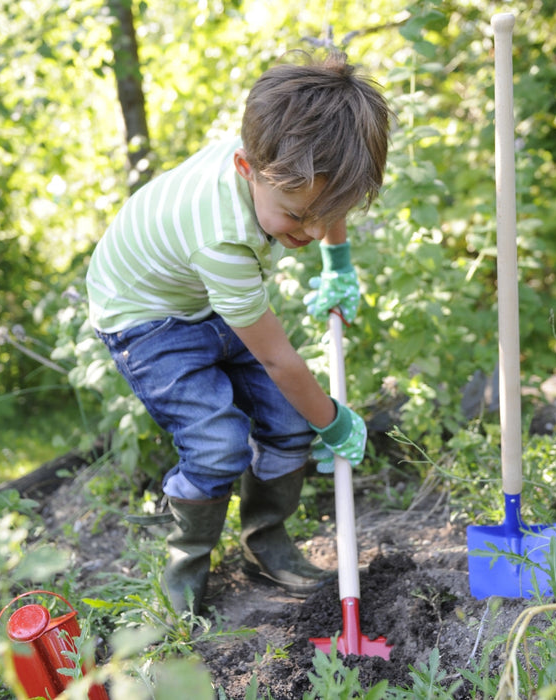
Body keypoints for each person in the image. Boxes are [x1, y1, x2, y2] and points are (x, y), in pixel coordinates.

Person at [86, 50, 391, 613]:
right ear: (247, 169)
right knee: (216, 443)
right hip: (146, 316)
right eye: (299, 218)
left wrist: (338, 259)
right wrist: (331, 418)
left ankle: (264, 541)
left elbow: (329, 195)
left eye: (329, 213)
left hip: (202, 295)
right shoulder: (222, 239)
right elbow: (280, 362)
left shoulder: (291, 147)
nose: (315, 228)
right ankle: (184, 565)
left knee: (286, 424)